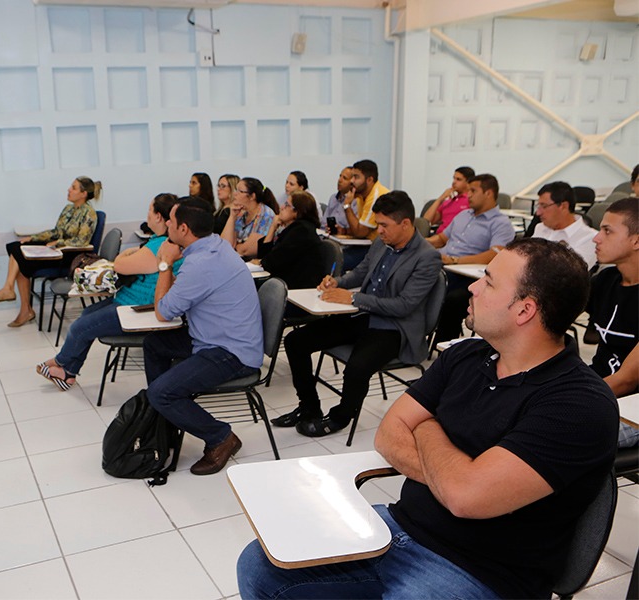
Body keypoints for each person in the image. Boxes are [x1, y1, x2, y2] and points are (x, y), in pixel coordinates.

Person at [238, 237, 619, 600]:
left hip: (479, 571)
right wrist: (454, 476)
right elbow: (388, 435)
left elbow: (464, 497)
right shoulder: (466, 356)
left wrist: (425, 425)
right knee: (258, 565)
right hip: (400, 529)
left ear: (525, 309)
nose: (472, 289)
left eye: (487, 282)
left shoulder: (578, 403)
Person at [270, 191, 442, 436]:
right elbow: (361, 272)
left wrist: (352, 297)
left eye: (384, 225)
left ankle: (340, 417)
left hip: (395, 328)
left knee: (357, 367)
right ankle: (309, 407)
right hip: (362, 315)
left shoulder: (427, 258)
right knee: (295, 341)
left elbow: (404, 306)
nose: (378, 230)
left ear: (405, 224)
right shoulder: (382, 243)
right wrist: (337, 282)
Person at [144, 197, 263, 476]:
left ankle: (221, 437)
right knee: (154, 344)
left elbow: (163, 311)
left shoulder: (201, 264)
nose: (167, 226)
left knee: (161, 392)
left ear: (183, 229)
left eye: (171, 222)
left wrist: (164, 263)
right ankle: (166, 418)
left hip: (232, 352)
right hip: (214, 337)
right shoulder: (214, 244)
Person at [36, 193, 183, 391]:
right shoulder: (158, 241)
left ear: (157, 216)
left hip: (139, 308)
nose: (147, 213)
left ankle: (60, 363)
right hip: (128, 300)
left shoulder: (160, 245)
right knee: (87, 315)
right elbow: (123, 262)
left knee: (80, 327)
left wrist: (125, 255)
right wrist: (126, 257)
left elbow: (120, 265)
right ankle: (68, 373)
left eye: (149, 209)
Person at [0, 177, 101, 328]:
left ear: (83, 193)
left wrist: (58, 243)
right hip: (57, 250)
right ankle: (14, 296)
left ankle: (17, 301)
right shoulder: (68, 209)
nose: (69, 190)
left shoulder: (89, 213)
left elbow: (82, 241)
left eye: (73, 187)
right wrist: (33, 238)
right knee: (16, 247)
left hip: (69, 256)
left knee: (21, 260)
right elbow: (55, 232)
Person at [429, 173, 515, 342]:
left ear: (488, 193)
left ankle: (445, 350)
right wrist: (419, 242)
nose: (468, 195)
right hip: (442, 267)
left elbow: (495, 255)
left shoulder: (500, 223)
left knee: (452, 301)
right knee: (411, 284)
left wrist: (455, 260)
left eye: (473, 191)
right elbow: (441, 239)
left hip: (468, 278)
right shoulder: (463, 215)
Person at [587, 197, 638, 447]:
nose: (597, 238)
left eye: (607, 231)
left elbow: (627, 379)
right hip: (599, 387)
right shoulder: (606, 279)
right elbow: (555, 314)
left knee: (559, 435)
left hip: (631, 406)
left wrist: (570, 398)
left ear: (636, 240)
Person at [254, 191, 325, 291]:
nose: (282, 207)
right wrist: (272, 227)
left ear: (297, 212)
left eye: (287, 205)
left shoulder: (301, 231)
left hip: (298, 289)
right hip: (286, 282)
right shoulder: (294, 229)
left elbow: (270, 263)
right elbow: (264, 256)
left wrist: (261, 261)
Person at [529, 181, 598, 267]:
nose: (538, 212)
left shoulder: (590, 238)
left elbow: (573, 273)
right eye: (538, 206)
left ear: (564, 206)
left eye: (544, 206)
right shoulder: (540, 228)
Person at [340, 159, 390, 271]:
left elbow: (360, 232)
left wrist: (347, 206)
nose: (352, 181)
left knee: (338, 260)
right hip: (367, 245)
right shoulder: (362, 196)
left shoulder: (376, 196)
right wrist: (343, 231)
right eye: (352, 177)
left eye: (356, 177)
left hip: (381, 249)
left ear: (369, 180)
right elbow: (358, 228)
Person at [221, 177, 278, 259]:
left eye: (240, 191)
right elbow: (224, 245)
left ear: (252, 196)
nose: (235, 194)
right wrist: (232, 216)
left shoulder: (266, 215)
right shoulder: (241, 213)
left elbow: (248, 250)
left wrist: (236, 246)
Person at [421, 166, 474, 234]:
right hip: (438, 236)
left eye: (458, 179)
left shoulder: (471, 201)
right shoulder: (448, 202)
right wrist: (440, 199)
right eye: (454, 178)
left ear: (468, 183)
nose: (454, 182)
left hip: (456, 238)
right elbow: (426, 222)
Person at [321, 167, 357, 235]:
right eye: (340, 176)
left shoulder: (355, 202)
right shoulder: (333, 198)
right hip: (328, 236)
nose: (340, 180)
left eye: (345, 178)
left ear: (352, 183)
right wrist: (326, 227)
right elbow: (323, 223)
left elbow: (354, 230)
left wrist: (342, 231)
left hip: (345, 240)